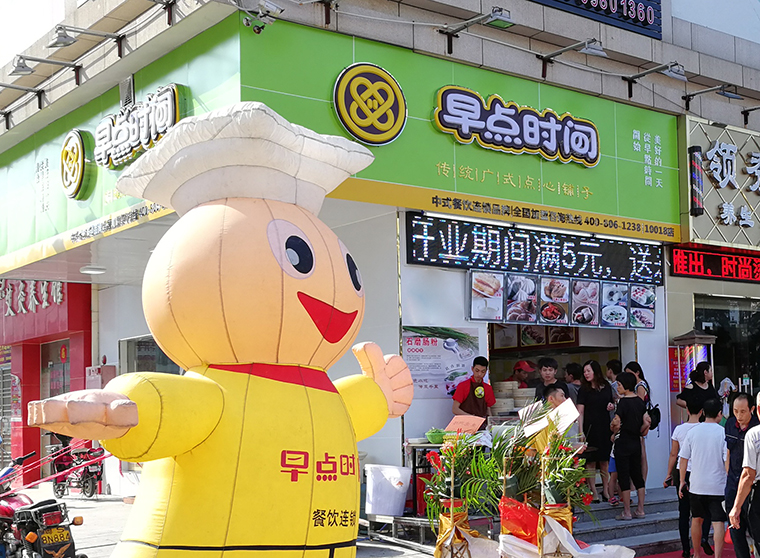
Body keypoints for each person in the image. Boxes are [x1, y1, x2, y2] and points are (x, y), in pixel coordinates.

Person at [679, 399, 727, 558]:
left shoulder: (693, 432)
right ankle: (718, 556)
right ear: (720, 413)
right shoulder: (722, 433)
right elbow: (726, 460)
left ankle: (697, 554)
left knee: (696, 519)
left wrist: (682, 481)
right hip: (717, 485)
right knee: (718, 522)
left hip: (697, 485)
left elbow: (683, 458)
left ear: (703, 412)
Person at [665, 398, 710, 558]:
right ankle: (703, 537)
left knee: (683, 512)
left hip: (681, 471)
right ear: (702, 411)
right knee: (704, 510)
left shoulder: (679, 429)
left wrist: (668, 474)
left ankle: (685, 549)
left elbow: (674, 454)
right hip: (700, 471)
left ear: (687, 410)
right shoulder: (704, 428)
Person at [724, 393, 759, 558]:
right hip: (733, 484)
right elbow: (728, 452)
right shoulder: (730, 424)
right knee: (736, 532)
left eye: (743, 411)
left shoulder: (756, 428)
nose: (739, 416)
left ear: (752, 409)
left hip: (752, 485)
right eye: (735, 411)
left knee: (755, 530)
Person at [611, 371, 649, 520]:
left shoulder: (623, 403)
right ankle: (641, 509)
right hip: (636, 441)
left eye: (619, 384)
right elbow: (645, 423)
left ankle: (626, 511)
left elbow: (616, 423)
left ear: (625, 385)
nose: (618, 387)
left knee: (624, 476)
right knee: (637, 475)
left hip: (623, 442)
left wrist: (613, 430)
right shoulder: (640, 402)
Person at [577, 360, 614, 502]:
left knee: (604, 460)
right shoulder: (583, 389)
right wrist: (580, 431)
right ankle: (593, 491)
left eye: (588, 371)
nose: (586, 374)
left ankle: (606, 489)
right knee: (590, 461)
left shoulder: (606, 387)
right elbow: (580, 412)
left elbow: (612, 402)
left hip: (604, 427)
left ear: (596, 371)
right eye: (584, 371)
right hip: (589, 427)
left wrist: (611, 405)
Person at [625, 361, 650, 482]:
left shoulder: (640, 386)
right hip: (641, 420)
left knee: (641, 454)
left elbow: (638, 405)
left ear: (637, 372)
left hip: (640, 421)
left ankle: (641, 482)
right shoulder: (641, 384)